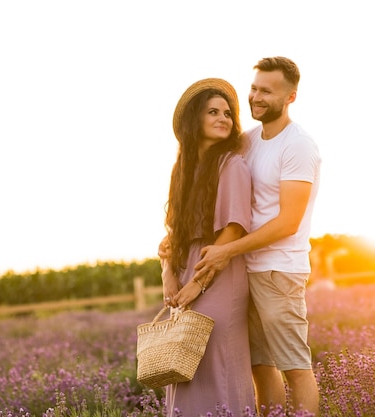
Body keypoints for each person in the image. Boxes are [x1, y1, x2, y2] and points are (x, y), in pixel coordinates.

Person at [190, 57, 322, 416]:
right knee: (261, 367)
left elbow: (287, 222)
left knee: (295, 367)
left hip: (279, 271)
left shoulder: (298, 146)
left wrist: (227, 250)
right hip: (246, 273)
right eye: (254, 88)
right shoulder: (248, 141)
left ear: (290, 97)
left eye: (267, 91)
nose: (256, 97)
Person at [159, 78, 255, 416]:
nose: (223, 118)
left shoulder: (232, 165)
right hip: (186, 271)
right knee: (181, 363)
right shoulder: (180, 171)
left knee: (215, 360)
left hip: (221, 274)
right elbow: (173, 234)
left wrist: (198, 285)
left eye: (228, 113)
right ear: (193, 119)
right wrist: (168, 278)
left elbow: (234, 229)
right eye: (213, 111)